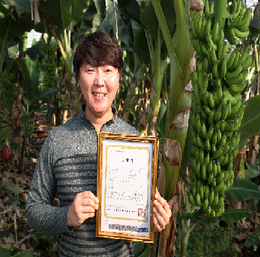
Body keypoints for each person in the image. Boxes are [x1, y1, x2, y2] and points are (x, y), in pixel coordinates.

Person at [26, 31, 172, 256]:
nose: (99, 82)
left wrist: (155, 217)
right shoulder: (58, 139)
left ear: (118, 77)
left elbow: (139, 212)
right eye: (90, 70)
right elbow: (33, 211)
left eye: (108, 70)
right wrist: (66, 216)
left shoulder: (136, 143)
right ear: (78, 77)